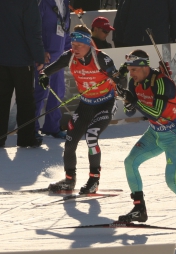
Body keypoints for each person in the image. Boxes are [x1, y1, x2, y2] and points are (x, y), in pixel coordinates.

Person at [115, 49, 176, 238]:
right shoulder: (135, 82)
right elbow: (131, 112)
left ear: (143, 67)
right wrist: (127, 99)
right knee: (130, 162)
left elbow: (156, 112)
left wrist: (134, 101)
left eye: (133, 70)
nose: (131, 74)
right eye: (130, 70)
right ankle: (139, 209)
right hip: (155, 133)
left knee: (172, 181)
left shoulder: (162, 83)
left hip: (173, 134)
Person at [45, 25, 122, 194]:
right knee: (70, 142)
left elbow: (118, 79)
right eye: (73, 44)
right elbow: (50, 69)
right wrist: (44, 76)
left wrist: (122, 86)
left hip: (105, 104)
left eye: (79, 44)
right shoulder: (69, 57)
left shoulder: (102, 59)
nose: (75, 48)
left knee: (92, 136)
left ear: (89, 44)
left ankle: (94, 180)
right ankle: (69, 180)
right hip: (86, 104)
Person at [0, 0, 45, 148]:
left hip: (0, 55)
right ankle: (26, 139)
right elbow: (33, 32)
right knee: (25, 100)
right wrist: (39, 57)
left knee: (1, 98)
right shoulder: (28, 3)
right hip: (21, 58)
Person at [34, 0, 71, 140]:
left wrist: (70, 53)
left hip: (59, 58)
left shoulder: (65, 3)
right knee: (40, 92)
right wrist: (40, 50)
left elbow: (66, 31)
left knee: (58, 93)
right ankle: (33, 129)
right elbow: (34, 27)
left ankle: (52, 127)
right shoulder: (43, 3)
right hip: (45, 57)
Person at [112, 0, 176, 47]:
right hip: (158, 40)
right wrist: (174, 36)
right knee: (157, 67)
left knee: (134, 67)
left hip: (133, 38)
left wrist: (128, 32)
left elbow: (123, 14)